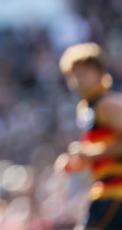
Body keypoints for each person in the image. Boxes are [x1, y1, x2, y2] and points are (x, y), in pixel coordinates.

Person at [55, 42, 122, 229]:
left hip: (115, 194)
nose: (78, 79)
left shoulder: (107, 104)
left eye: (85, 72)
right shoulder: (89, 107)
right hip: (106, 192)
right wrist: (81, 160)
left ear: (100, 72)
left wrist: (89, 155)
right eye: (74, 74)